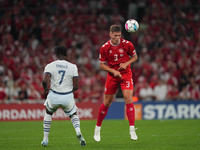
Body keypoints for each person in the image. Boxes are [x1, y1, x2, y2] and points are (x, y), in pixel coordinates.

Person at [94, 24, 138, 142]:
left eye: (119, 35)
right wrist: (113, 71)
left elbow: (135, 57)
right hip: (112, 76)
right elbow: (102, 65)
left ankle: (132, 129)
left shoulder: (127, 44)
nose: (117, 38)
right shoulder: (105, 48)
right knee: (107, 102)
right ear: (110, 34)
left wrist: (126, 63)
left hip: (125, 74)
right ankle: (97, 128)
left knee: (128, 98)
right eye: (115, 36)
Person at [41, 46, 86, 147]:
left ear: (56, 55)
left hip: (54, 95)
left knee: (48, 113)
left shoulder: (50, 65)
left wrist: (45, 88)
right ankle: (79, 133)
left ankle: (45, 139)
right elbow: (76, 86)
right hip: (67, 96)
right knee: (73, 114)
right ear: (66, 54)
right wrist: (70, 92)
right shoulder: (73, 66)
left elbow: (44, 80)